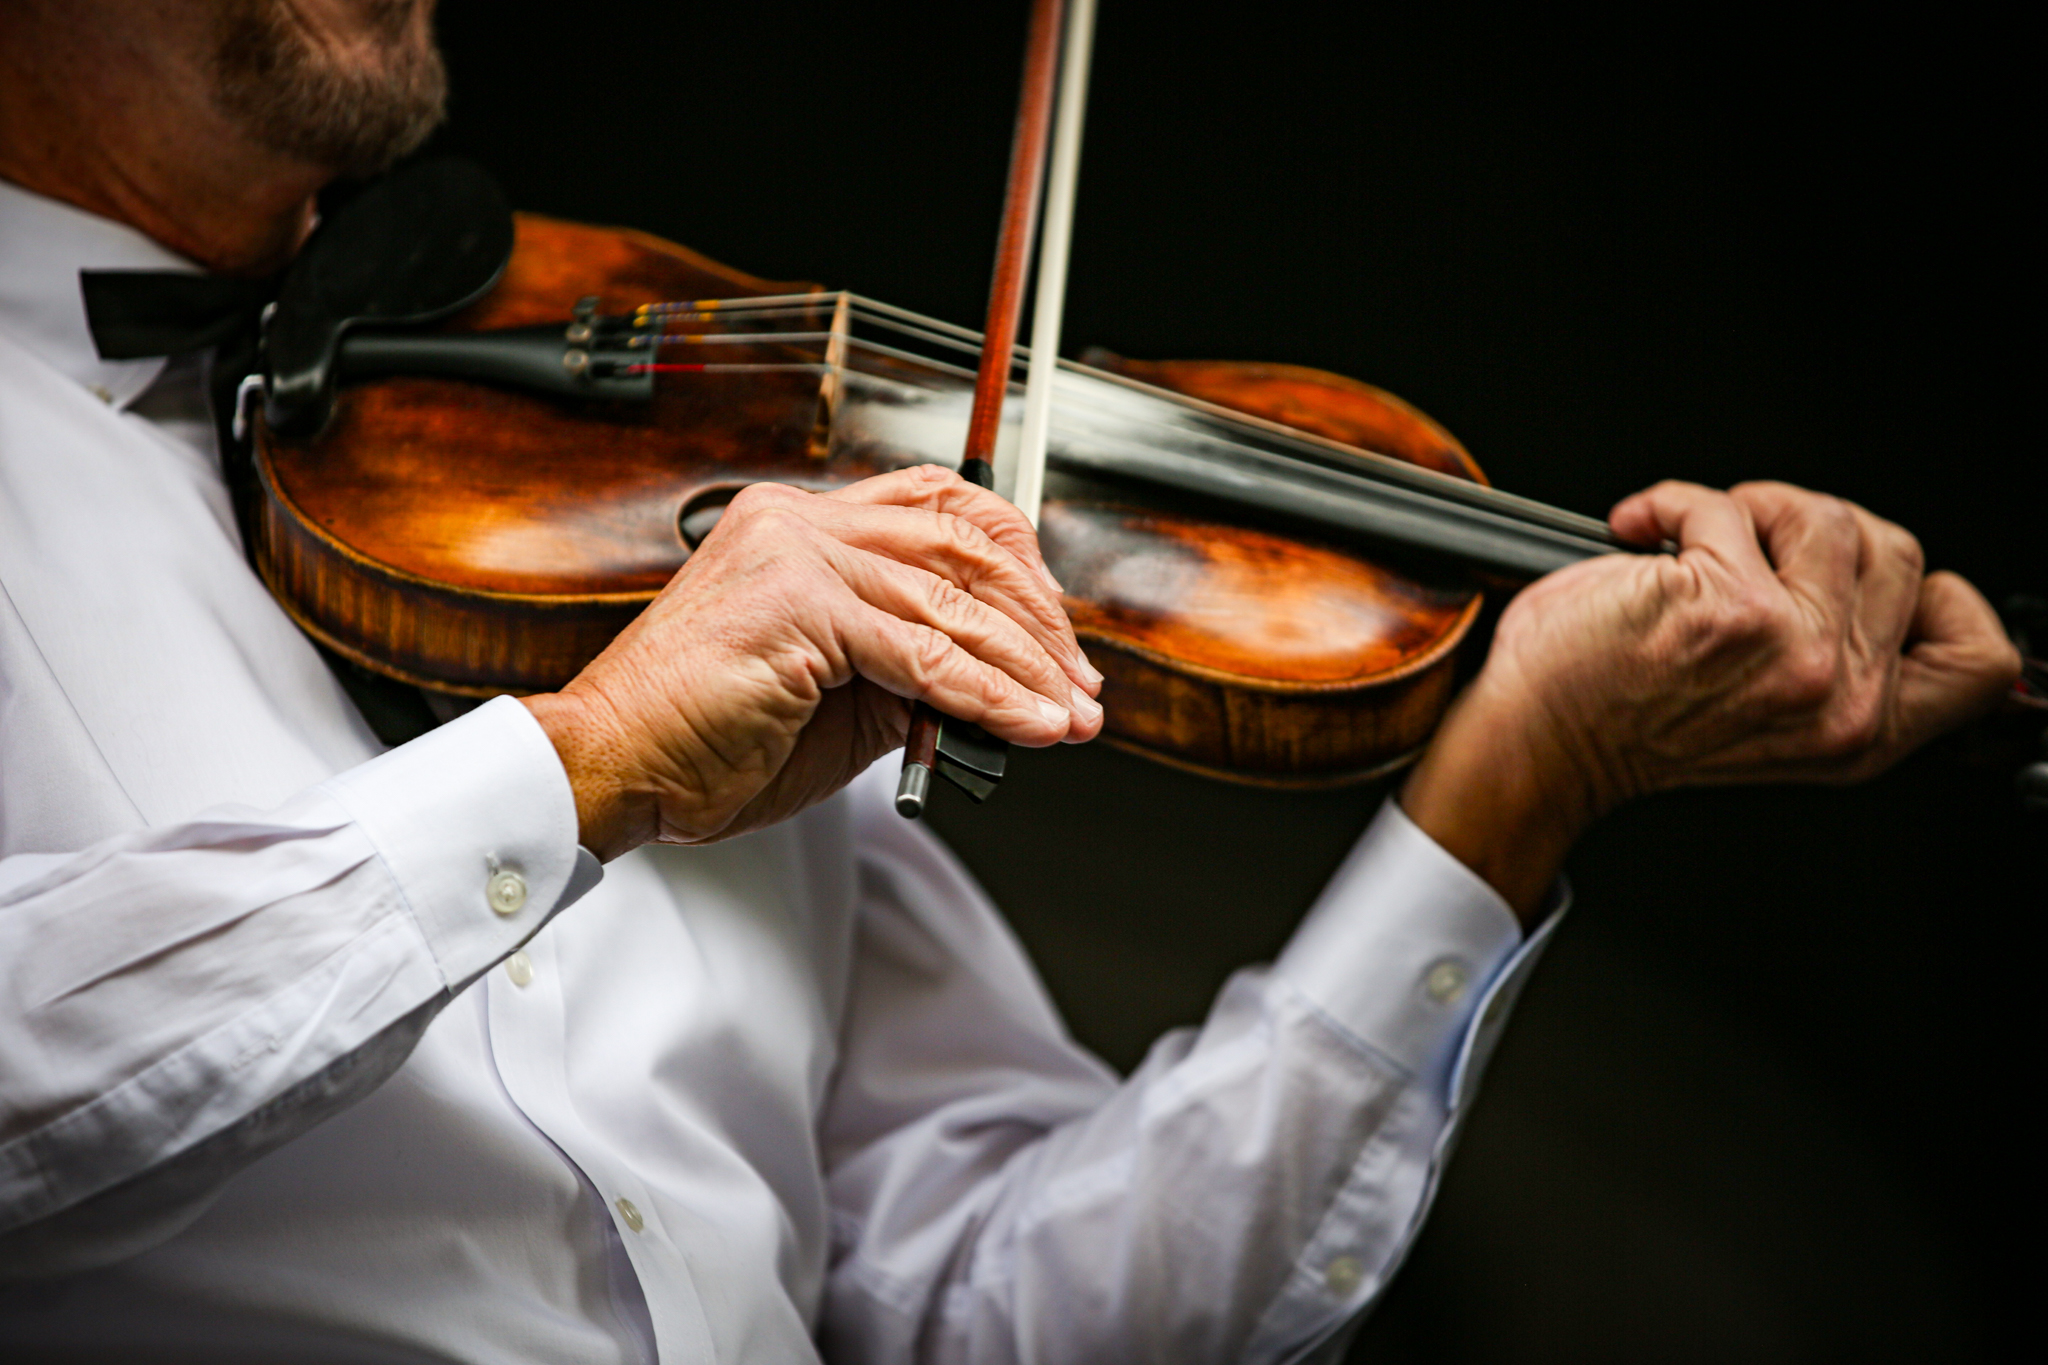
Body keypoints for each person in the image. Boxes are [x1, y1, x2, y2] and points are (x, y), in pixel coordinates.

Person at [0, 2, 2019, 1362]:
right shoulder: (677, 653)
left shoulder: (687, 478)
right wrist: (587, 763)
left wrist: (1511, 781)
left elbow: (1011, 1304)